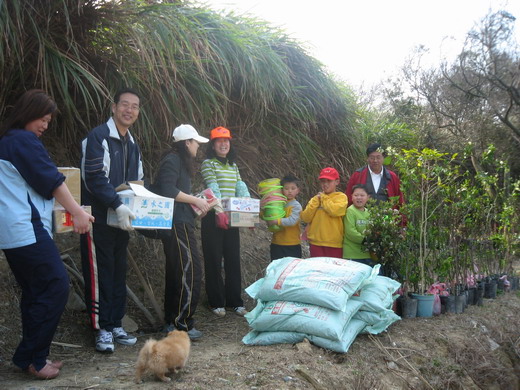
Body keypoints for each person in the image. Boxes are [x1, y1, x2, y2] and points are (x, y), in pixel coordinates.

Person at [0, 89, 94, 379]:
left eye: (49, 121)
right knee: (56, 287)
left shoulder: (7, 142)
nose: (45, 126)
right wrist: (77, 212)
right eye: (42, 118)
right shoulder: (23, 141)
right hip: (26, 228)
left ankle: (31, 357)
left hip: (12, 233)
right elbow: (52, 180)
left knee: (35, 292)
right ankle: (34, 358)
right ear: (27, 114)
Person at [80, 88, 144, 353]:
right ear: (114, 107)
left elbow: (138, 182)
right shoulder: (98, 137)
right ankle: (101, 329)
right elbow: (94, 178)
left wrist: (139, 208)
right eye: (124, 105)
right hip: (97, 218)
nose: (129, 110)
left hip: (121, 220)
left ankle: (115, 323)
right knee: (99, 273)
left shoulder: (132, 144)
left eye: (134, 106)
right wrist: (117, 204)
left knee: (118, 271)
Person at [153, 124, 211, 340]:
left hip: (181, 221)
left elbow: (178, 195)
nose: (198, 147)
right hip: (177, 225)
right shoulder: (173, 160)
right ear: (187, 143)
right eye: (196, 143)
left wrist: (197, 206)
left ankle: (172, 321)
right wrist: (195, 200)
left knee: (178, 271)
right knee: (190, 271)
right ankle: (182, 323)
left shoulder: (179, 161)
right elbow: (167, 190)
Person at [200, 126, 250, 317]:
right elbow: (213, 189)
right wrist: (219, 212)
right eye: (219, 141)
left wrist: (248, 211)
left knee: (232, 259)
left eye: (226, 140)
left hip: (231, 218)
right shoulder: (208, 164)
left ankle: (235, 302)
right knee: (213, 259)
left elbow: (240, 187)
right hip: (214, 217)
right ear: (213, 145)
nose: (223, 144)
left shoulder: (233, 165)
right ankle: (216, 302)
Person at [300, 167, 348, 258]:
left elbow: (334, 211)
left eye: (329, 181)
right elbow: (305, 217)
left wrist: (323, 198)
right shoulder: (316, 199)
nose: (325, 184)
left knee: (333, 270)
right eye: (323, 181)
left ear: (337, 182)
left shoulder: (341, 197)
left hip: (334, 243)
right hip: (315, 242)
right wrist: (315, 202)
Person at [267, 175, 302, 260]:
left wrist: (276, 221)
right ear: (281, 190)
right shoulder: (276, 204)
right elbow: (266, 215)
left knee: (291, 270)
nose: (289, 191)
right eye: (286, 188)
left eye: (293, 188)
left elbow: (292, 221)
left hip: (292, 244)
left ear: (298, 190)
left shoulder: (296, 206)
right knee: (277, 270)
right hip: (277, 243)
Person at [342, 184, 375, 266]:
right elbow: (350, 232)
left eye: (362, 195)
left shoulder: (369, 212)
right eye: (356, 195)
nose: (359, 198)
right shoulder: (350, 211)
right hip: (352, 254)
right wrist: (365, 240)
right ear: (352, 197)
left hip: (366, 254)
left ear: (368, 197)